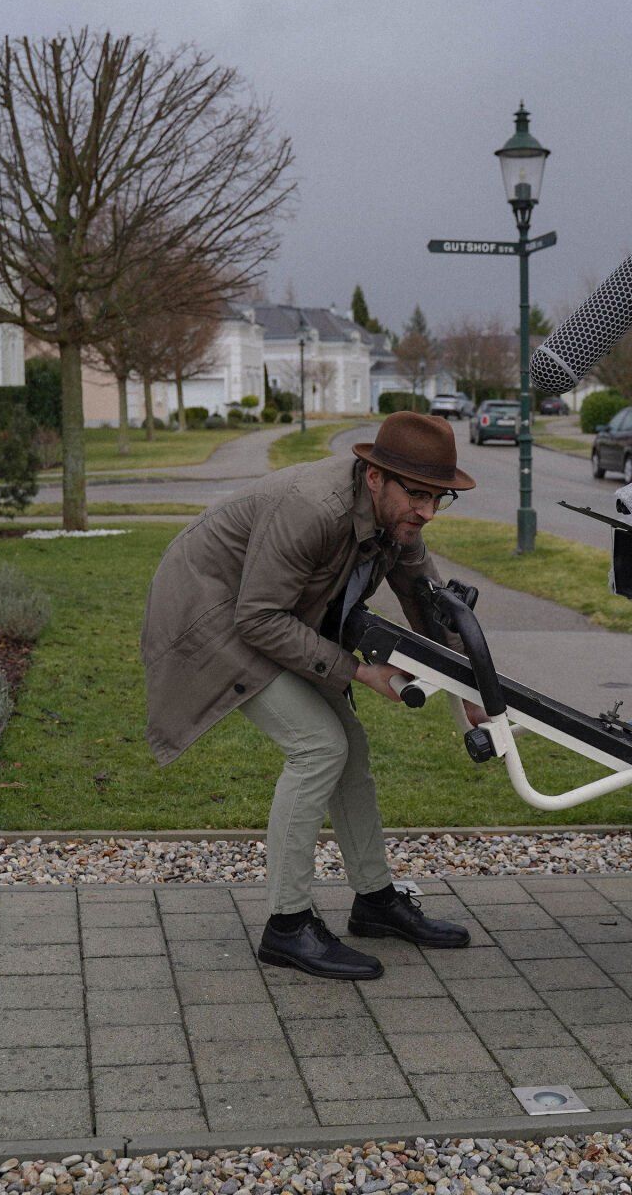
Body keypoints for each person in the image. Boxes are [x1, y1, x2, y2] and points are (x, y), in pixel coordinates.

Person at [141, 411, 478, 981]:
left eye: (437, 498)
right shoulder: (313, 508)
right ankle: (287, 925)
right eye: (417, 495)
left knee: (351, 748)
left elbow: (428, 602)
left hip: (265, 612)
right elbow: (257, 617)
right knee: (319, 746)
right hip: (211, 616)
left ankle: (375, 901)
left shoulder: (394, 521)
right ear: (375, 477)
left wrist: (471, 687)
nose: (426, 511)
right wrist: (358, 672)